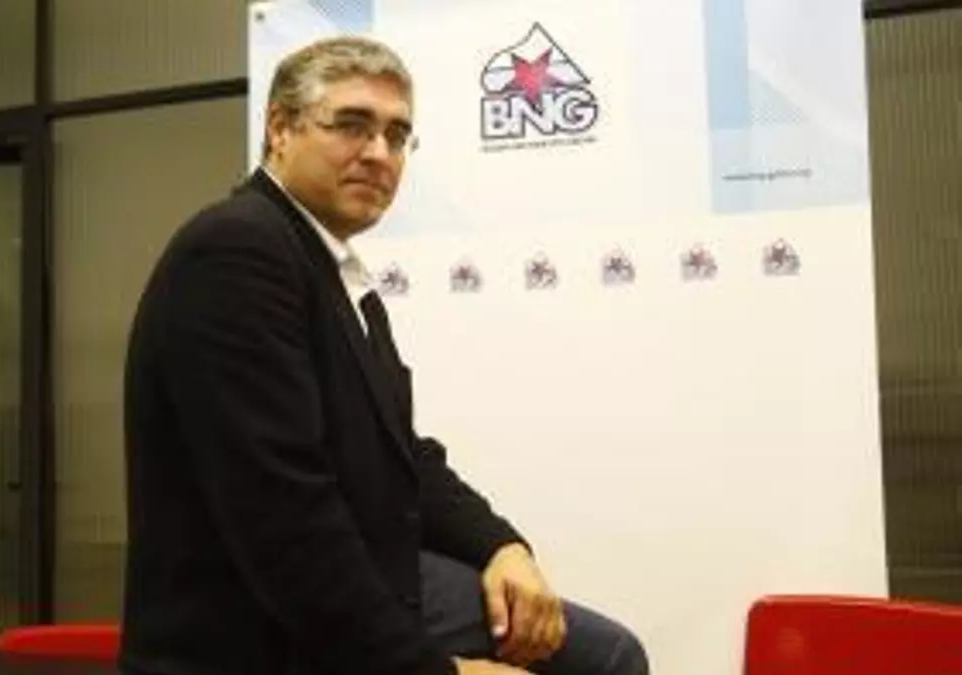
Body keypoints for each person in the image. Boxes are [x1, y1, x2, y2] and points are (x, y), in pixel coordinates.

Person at [120, 35, 649, 675]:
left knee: (604, 653)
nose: (378, 153)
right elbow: (283, 520)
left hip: (372, 572)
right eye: (352, 125)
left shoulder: (338, 275)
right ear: (280, 129)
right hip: (253, 631)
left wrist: (501, 546)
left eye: (397, 136)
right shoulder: (237, 251)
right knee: (607, 661)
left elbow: (403, 459)